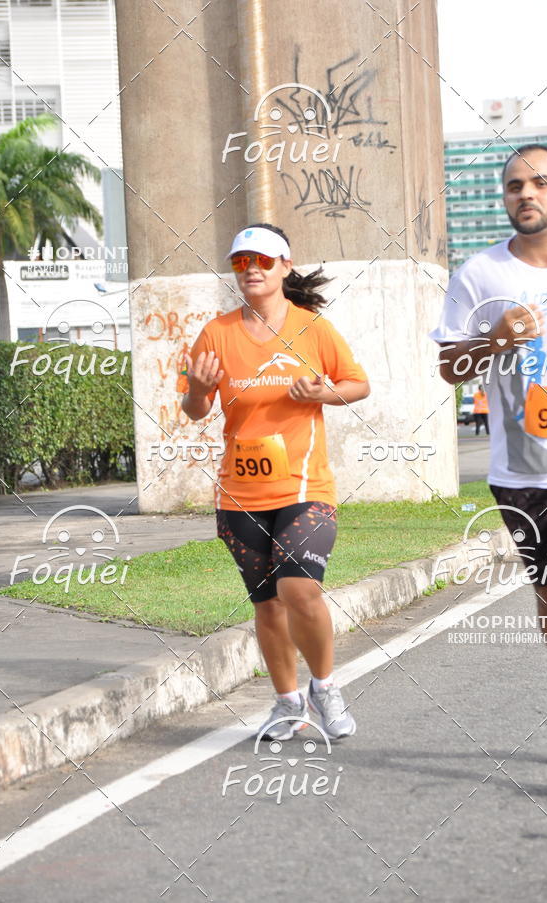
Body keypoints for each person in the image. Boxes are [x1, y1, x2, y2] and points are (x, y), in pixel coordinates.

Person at [430, 144, 547, 789]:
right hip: (518, 469)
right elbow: (448, 369)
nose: (527, 193)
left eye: (541, 183)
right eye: (515, 185)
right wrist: (495, 341)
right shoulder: (480, 277)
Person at [180, 223, 370, 741]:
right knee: (266, 603)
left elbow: (359, 384)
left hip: (305, 487)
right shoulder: (217, 333)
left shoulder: (313, 329)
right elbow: (195, 409)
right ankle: (287, 702)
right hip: (240, 492)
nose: (252, 270)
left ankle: (325, 686)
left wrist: (322, 394)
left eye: (262, 260)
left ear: (285, 266)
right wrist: (198, 390)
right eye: (241, 263)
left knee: (299, 589)